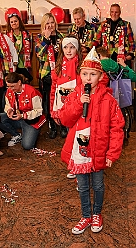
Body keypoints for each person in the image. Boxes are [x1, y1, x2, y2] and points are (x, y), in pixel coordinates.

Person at [58, 46, 125, 234]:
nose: (88, 78)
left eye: (93, 74)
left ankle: (97, 213)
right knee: (82, 185)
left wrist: (112, 153)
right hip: (80, 151)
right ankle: (86, 215)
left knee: (98, 184)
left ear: (100, 76)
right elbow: (65, 119)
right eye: (85, 74)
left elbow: (117, 128)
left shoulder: (108, 100)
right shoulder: (75, 95)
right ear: (80, 75)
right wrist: (80, 104)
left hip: (99, 149)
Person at [35, 13, 64, 139]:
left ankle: (62, 125)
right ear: (43, 25)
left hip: (61, 73)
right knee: (49, 103)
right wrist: (46, 40)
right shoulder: (39, 37)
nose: (50, 25)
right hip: (47, 74)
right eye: (47, 23)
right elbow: (39, 54)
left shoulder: (60, 36)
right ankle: (52, 126)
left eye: (52, 22)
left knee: (62, 100)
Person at [0, 72, 46, 149]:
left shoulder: (32, 92)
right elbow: (8, 105)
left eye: (12, 86)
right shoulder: (9, 91)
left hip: (30, 120)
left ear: (19, 82)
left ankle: (31, 131)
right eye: (8, 87)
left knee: (27, 146)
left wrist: (23, 115)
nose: (10, 89)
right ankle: (16, 135)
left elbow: (39, 111)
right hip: (17, 118)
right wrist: (9, 110)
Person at [50, 35, 82, 139]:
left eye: (72, 47)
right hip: (64, 108)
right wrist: (54, 111)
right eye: (65, 47)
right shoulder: (58, 68)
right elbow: (53, 91)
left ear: (77, 49)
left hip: (79, 108)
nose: (68, 50)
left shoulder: (82, 66)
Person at [93, 3, 135, 68]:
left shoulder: (126, 25)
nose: (114, 14)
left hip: (122, 58)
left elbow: (131, 42)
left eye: (116, 12)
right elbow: (96, 40)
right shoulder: (103, 24)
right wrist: (91, 51)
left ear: (120, 13)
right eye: (112, 12)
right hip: (106, 57)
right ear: (110, 12)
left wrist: (131, 55)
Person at [6, 13, 33, 83]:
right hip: (13, 65)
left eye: (15, 21)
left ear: (19, 22)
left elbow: (31, 50)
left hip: (24, 64)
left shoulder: (27, 34)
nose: (14, 23)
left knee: (26, 83)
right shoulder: (7, 36)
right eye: (11, 22)